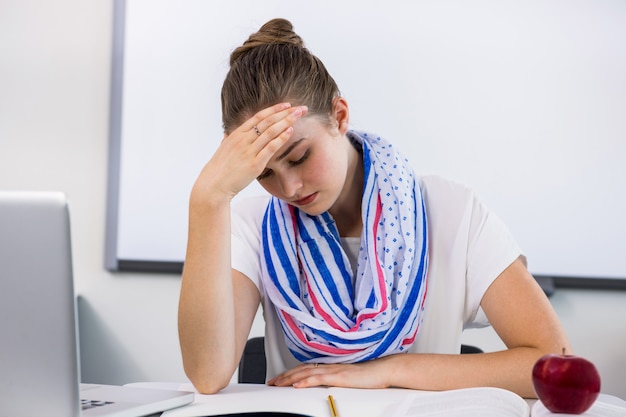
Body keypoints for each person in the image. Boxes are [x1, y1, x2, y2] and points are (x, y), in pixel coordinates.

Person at [178, 18, 571, 397]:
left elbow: (553, 363)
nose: (289, 187)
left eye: (299, 157)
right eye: (264, 174)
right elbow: (208, 376)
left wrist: (387, 372)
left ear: (340, 116)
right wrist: (208, 198)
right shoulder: (252, 226)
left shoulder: (455, 212)